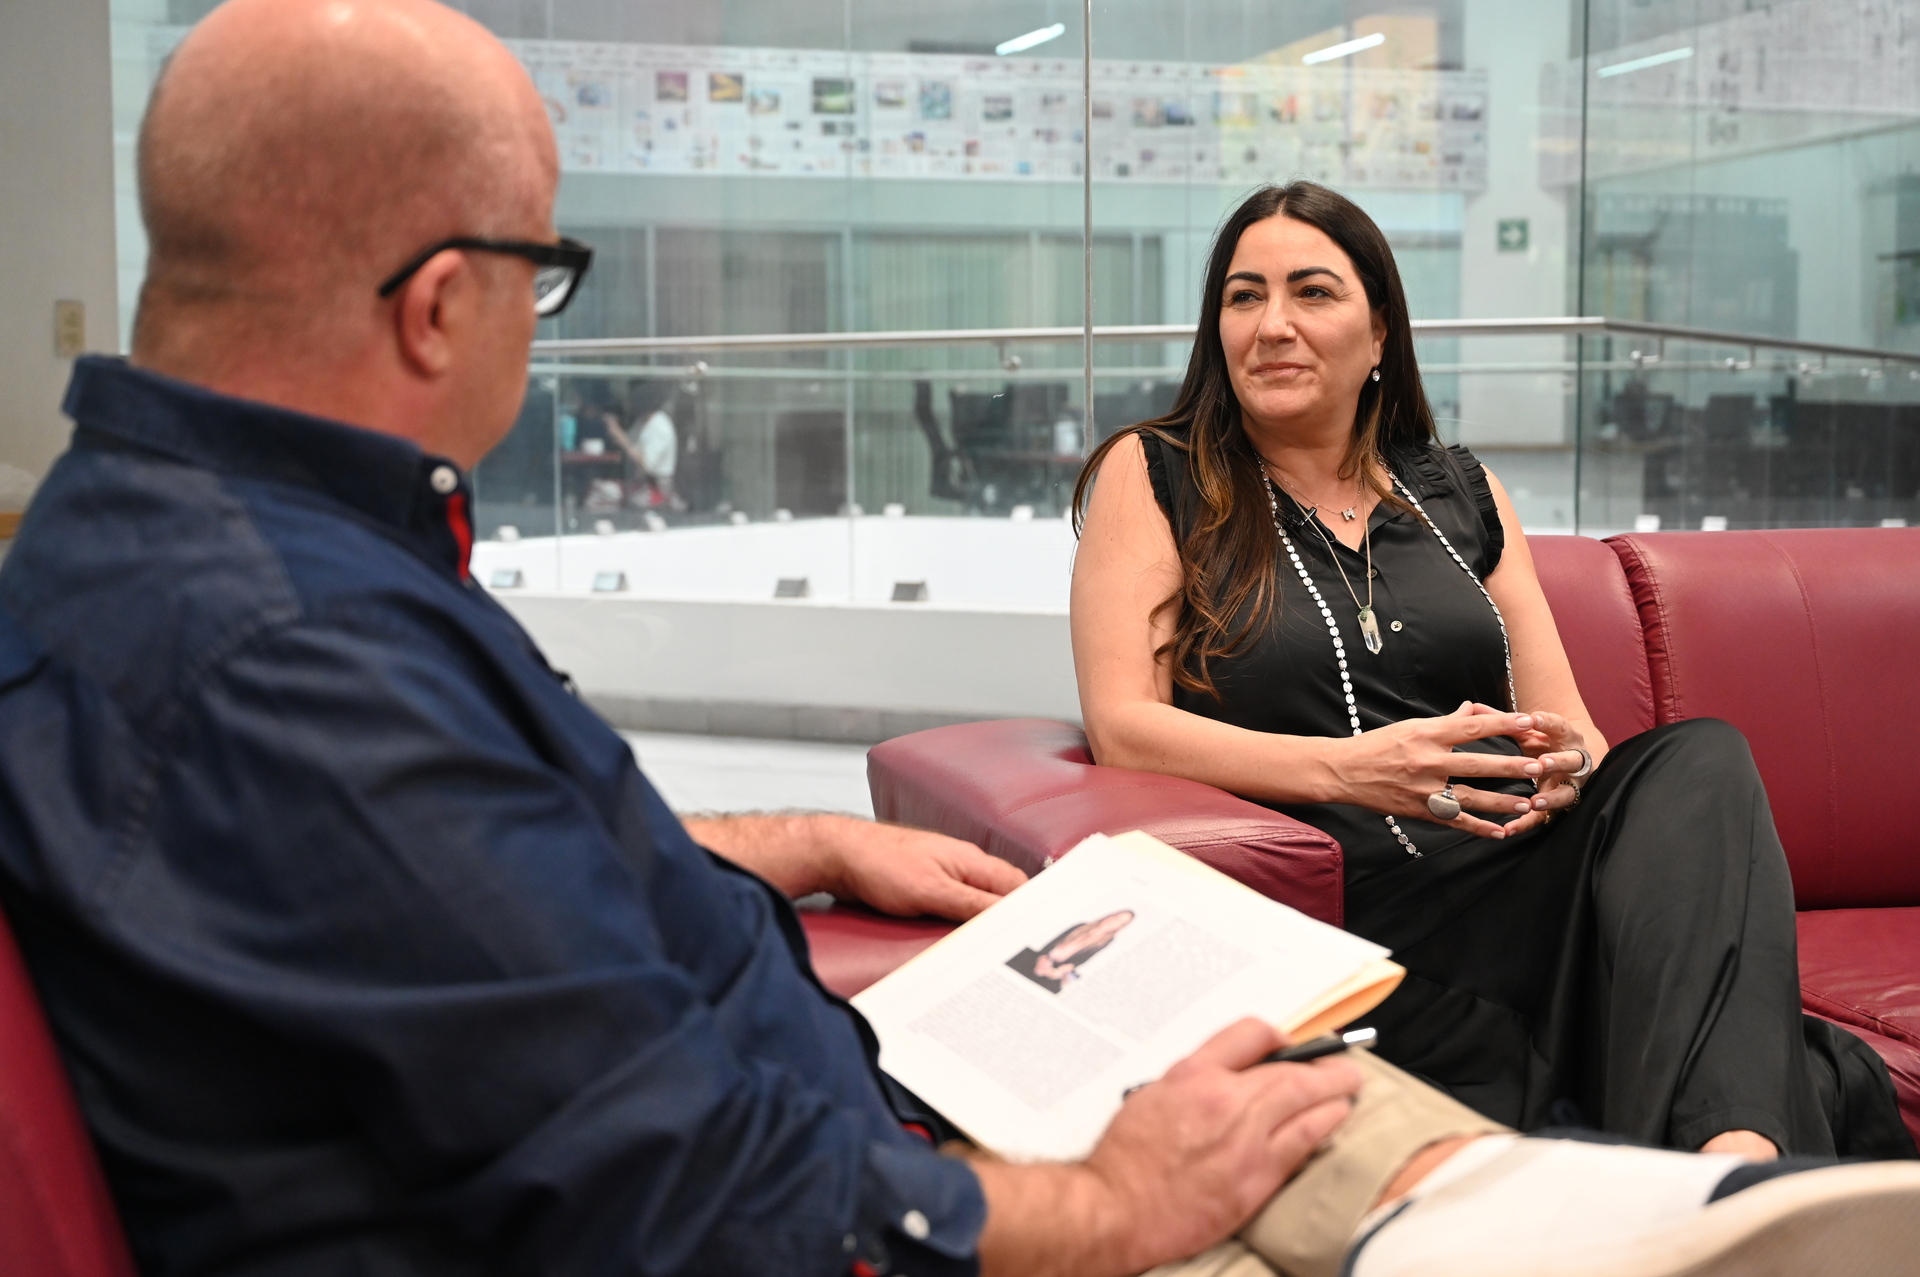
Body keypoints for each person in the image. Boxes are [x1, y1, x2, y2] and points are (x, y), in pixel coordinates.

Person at [1, 5, 1916, 1276]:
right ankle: (1680, 1179)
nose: (1272, 324)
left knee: (1534, 977)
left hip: (852, 1093)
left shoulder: (197, 574)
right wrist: (1111, 1198)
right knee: (1322, 1146)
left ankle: (1677, 1174)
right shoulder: (289, 653)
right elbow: (686, 1182)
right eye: (548, 276)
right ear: (438, 306)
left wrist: (785, 841)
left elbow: (448, 894)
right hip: (867, 1172)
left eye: (1314, 292)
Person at [1069, 181, 1915, 1165]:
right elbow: (1122, 724)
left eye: (1312, 291)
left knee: (1701, 758)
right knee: (1816, 1069)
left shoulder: (1460, 489)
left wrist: (1563, 762)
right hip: (1353, 910)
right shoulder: (1157, 473)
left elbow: (1577, 729)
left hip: (1519, 873)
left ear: (1380, 333)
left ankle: (1732, 1166)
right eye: (1244, 296)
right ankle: (1737, 1157)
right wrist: (1353, 768)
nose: (1273, 325)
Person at [1006, 910, 1136, 992]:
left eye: (1120, 921)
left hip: (1057, 967)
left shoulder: (1105, 941)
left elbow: (1081, 961)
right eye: (1116, 917)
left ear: (1120, 927)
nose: (1114, 921)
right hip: (1043, 957)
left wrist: (1057, 971)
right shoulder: (1081, 926)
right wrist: (1042, 959)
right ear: (1110, 915)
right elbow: (1051, 943)